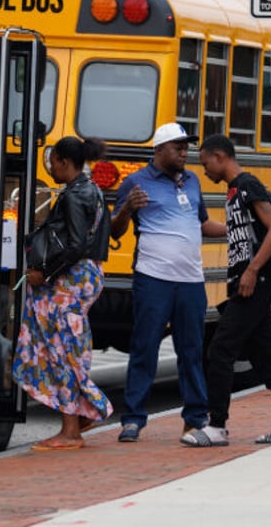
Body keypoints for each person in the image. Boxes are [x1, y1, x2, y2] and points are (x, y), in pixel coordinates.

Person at [183, 134, 271, 447]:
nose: (205, 170)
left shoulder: (247, 184)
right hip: (248, 282)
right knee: (267, 355)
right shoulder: (234, 191)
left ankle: (216, 427)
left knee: (220, 350)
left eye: (206, 162)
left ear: (221, 156)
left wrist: (251, 271)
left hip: (256, 282)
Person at [112, 123, 226, 443]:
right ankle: (133, 419)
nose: (184, 153)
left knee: (191, 350)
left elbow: (202, 223)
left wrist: (237, 228)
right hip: (153, 279)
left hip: (190, 280)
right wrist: (126, 210)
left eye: (186, 147)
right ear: (159, 150)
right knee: (144, 347)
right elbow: (114, 231)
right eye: (178, 147)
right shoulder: (136, 183)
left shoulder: (192, 181)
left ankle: (194, 418)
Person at [13, 136, 113, 450]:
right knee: (68, 346)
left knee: (61, 349)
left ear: (64, 162)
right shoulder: (93, 189)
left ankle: (72, 429)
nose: (50, 167)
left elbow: (75, 245)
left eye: (52, 161)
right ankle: (80, 415)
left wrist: (45, 273)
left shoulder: (72, 196)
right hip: (89, 273)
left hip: (69, 279)